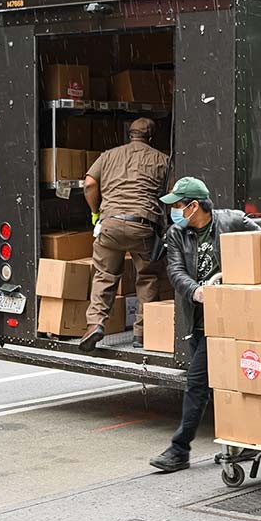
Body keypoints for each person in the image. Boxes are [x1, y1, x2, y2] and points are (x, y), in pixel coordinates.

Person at [149, 177, 261, 473]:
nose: (174, 211)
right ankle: (245, 443)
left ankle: (179, 449)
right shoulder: (176, 234)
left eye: (178, 205)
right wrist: (196, 291)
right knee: (220, 384)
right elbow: (174, 270)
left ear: (194, 206)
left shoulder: (233, 222)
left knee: (198, 384)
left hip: (231, 320)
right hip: (199, 321)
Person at [79, 118, 169, 352]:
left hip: (110, 223)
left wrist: (96, 212)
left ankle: (96, 324)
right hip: (143, 225)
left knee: (104, 275)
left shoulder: (108, 155)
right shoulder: (162, 159)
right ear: (151, 137)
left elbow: (89, 184)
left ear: (129, 134)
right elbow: (172, 194)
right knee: (147, 277)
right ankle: (142, 333)